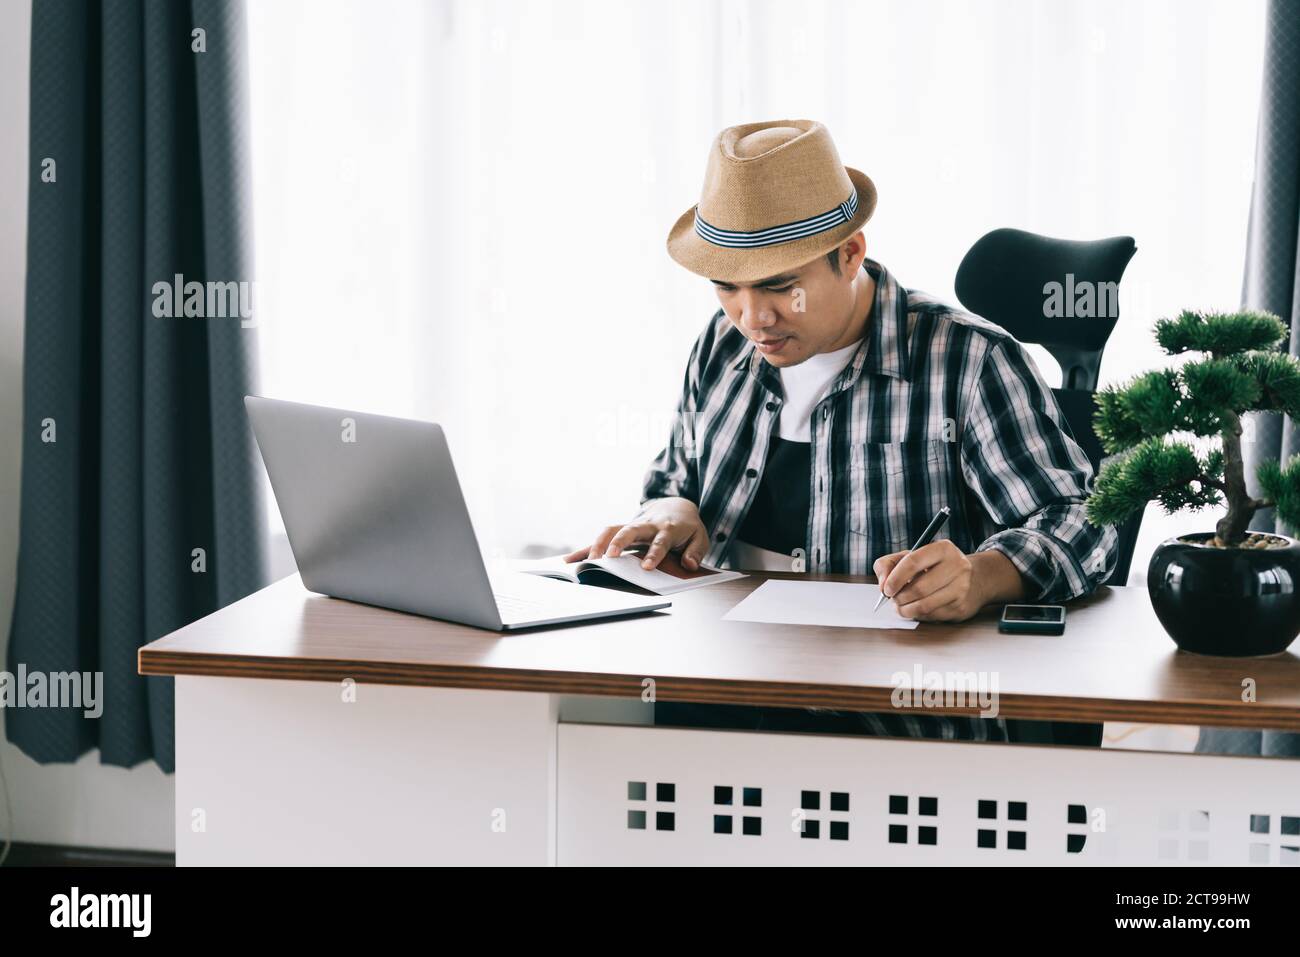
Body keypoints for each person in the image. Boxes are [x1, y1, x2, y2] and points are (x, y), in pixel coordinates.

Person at [566, 119, 1118, 742]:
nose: (754, 317)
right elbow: (673, 476)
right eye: (728, 287)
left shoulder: (966, 361)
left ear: (850, 253)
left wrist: (982, 576)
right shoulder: (720, 348)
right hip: (715, 700)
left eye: (780, 285)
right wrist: (670, 506)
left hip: (885, 726)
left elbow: (1086, 522)